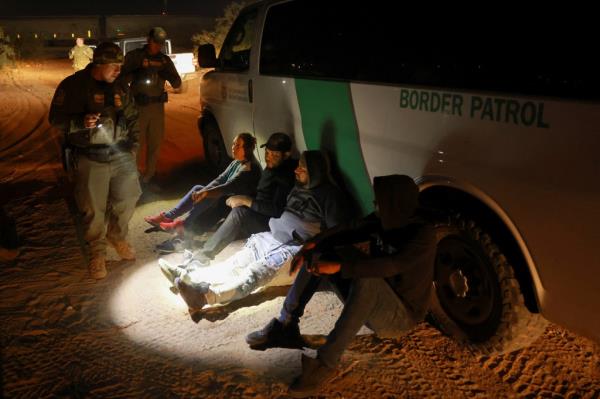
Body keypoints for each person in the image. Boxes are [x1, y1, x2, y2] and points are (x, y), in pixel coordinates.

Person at [244, 174, 437, 397]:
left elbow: (392, 265)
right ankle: (285, 325)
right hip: (375, 300)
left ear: (395, 203)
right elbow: (348, 228)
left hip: (400, 316)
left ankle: (325, 363)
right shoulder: (383, 219)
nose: (375, 205)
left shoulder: (423, 234)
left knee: (367, 278)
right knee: (322, 252)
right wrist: (311, 245)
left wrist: (339, 267)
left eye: (380, 201)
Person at [160, 150, 349, 311]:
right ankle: (190, 278)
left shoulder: (330, 196)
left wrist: (311, 247)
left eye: (302, 168)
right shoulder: (299, 188)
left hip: (296, 245)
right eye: (298, 165)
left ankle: (207, 297)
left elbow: (335, 233)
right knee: (236, 262)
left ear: (315, 173)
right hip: (272, 236)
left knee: (256, 271)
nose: (296, 170)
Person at [49, 42, 141, 279]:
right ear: (99, 64)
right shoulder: (73, 86)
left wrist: (134, 148)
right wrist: (79, 122)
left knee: (129, 197)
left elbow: (133, 118)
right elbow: (55, 119)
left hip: (121, 154)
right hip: (90, 157)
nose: (118, 71)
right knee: (93, 209)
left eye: (121, 66)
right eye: (114, 66)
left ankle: (117, 236)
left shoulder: (121, 86)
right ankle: (97, 253)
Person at [190, 132, 297, 264]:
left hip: (270, 224)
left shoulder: (286, 177)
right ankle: (189, 232)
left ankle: (202, 257)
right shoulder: (273, 167)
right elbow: (223, 182)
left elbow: (277, 211)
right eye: (267, 153)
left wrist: (247, 201)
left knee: (239, 212)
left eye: (275, 155)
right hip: (259, 211)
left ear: (286, 155)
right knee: (227, 200)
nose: (269, 157)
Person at [144, 133, 261, 252]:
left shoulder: (249, 169)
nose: (233, 147)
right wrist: (204, 191)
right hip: (229, 200)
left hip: (242, 208)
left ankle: (183, 231)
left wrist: (206, 194)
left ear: (247, 149)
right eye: (233, 144)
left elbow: (228, 187)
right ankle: (175, 222)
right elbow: (220, 179)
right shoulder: (236, 162)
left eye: (238, 146)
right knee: (199, 189)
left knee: (213, 199)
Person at [117, 27, 181, 187]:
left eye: (160, 44)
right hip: (138, 107)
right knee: (136, 143)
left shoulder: (164, 60)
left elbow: (177, 82)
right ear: (148, 40)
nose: (157, 46)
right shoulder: (135, 57)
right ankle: (133, 177)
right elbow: (119, 78)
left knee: (155, 143)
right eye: (155, 42)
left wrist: (165, 73)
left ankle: (149, 175)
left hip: (157, 107)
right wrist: (137, 72)